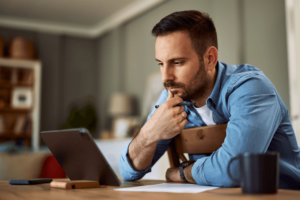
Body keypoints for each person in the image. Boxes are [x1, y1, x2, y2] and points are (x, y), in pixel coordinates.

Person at [119, 10, 300, 189]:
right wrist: (150, 132)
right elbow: (127, 172)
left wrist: (183, 173)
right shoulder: (172, 96)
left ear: (210, 59)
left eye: (177, 63)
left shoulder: (251, 88)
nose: (166, 77)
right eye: (161, 64)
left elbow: (234, 169)